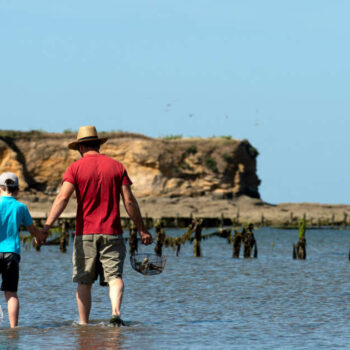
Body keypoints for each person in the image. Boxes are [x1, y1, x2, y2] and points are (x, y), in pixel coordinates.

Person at [42, 126, 152, 326]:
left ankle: (83, 325)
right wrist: (142, 229)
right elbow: (129, 201)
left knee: (84, 281)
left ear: (81, 147)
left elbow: (62, 198)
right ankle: (116, 314)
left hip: (85, 234)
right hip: (112, 232)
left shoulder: (74, 168)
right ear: (98, 144)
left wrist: (47, 226)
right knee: (115, 277)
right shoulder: (117, 167)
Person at [0, 172, 46, 328]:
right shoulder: (21, 207)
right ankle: (14, 329)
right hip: (12, 253)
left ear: (0, 188)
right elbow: (32, 229)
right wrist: (40, 237)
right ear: (17, 190)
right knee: (11, 293)